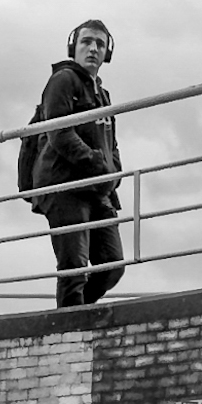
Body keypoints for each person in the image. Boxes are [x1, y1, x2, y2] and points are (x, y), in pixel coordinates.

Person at [32, 19, 124, 310]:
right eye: (86, 42)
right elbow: (59, 133)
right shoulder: (62, 80)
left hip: (97, 189)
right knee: (74, 267)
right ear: (74, 46)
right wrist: (98, 164)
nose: (93, 48)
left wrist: (114, 172)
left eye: (100, 44)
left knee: (112, 265)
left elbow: (111, 144)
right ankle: (68, 326)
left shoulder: (103, 95)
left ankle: (75, 315)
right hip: (64, 186)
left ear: (107, 52)